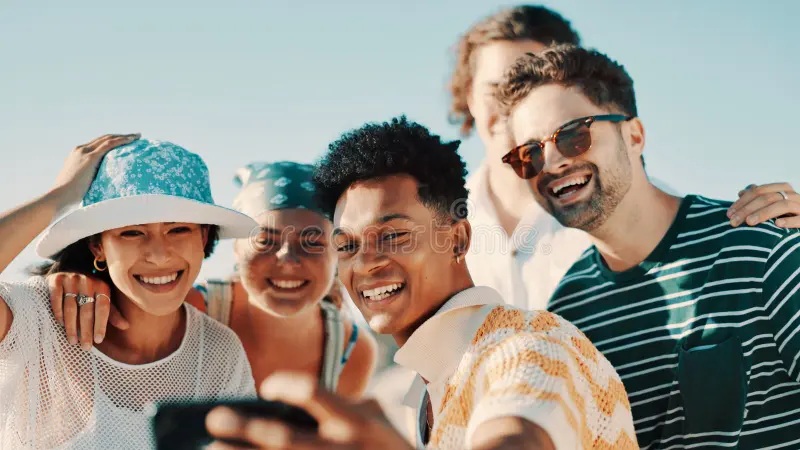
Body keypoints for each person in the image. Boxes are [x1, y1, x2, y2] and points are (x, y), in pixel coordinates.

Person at [204, 116, 638, 449]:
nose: (366, 263)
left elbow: (517, 435)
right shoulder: (426, 392)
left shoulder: (528, 345)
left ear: (458, 238)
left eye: (392, 235)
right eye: (347, 245)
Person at [494, 44, 800, 449]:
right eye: (528, 154)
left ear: (634, 135)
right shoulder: (565, 320)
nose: (550, 163)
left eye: (572, 135)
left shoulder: (760, 245)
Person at [448, 4, 800, 311]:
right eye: (499, 91)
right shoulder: (436, 221)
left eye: (572, 133)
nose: (516, 105)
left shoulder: (625, 198)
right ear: (469, 98)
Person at [0, 135, 259, 449]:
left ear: (204, 237)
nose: (160, 254)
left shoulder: (220, 352)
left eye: (178, 229)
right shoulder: (37, 321)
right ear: (98, 245)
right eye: (132, 232)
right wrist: (58, 197)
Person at [48, 161, 378, 398]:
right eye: (265, 240)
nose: (288, 261)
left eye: (313, 242)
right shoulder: (190, 310)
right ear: (234, 249)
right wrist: (83, 282)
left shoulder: (350, 352)